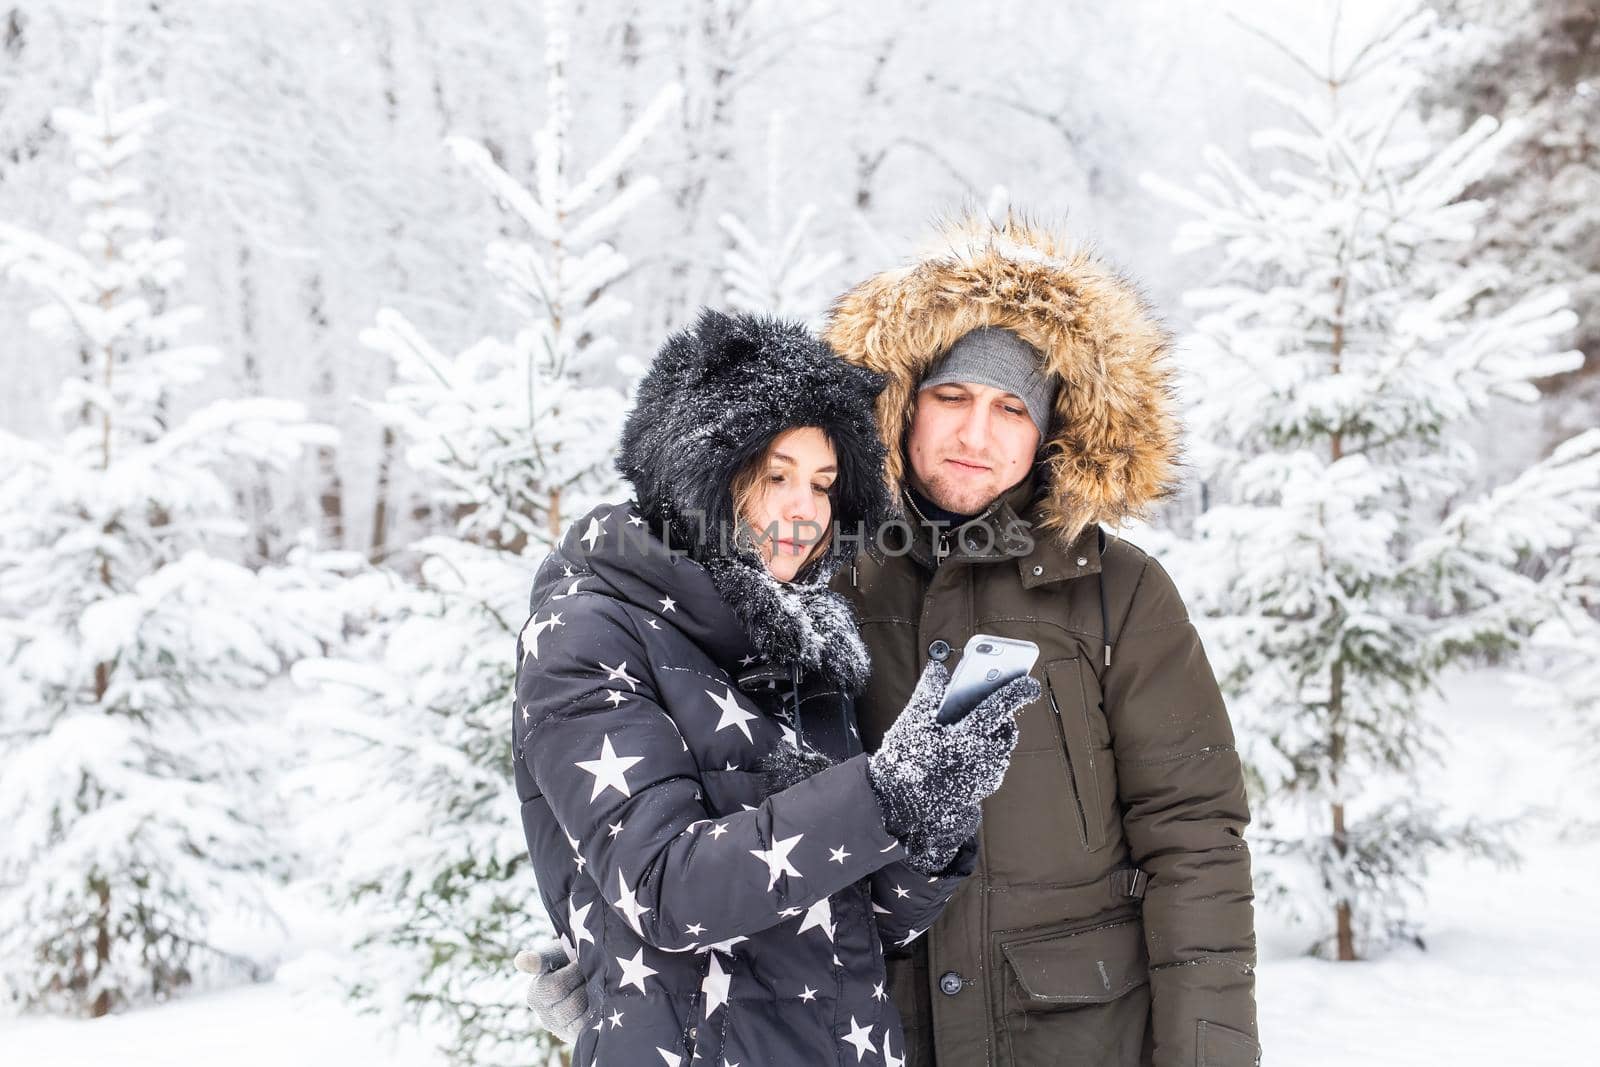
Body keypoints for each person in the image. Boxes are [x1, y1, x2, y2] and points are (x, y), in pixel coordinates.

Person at [511, 308, 1041, 1067]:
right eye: (776, 475)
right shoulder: (585, 631)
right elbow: (663, 888)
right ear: (700, 471)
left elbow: (860, 920)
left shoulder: (803, 643)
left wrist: (928, 818)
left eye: (824, 484)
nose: (805, 509)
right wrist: (880, 797)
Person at [817, 210, 1262, 1067]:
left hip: (1075, 1035)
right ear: (904, 403)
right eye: (951, 396)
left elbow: (1195, 839)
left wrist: (1209, 1053)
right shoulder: (823, 577)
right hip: (872, 1033)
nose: (974, 434)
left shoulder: (1120, 593)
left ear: (1054, 430)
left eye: (1010, 407)